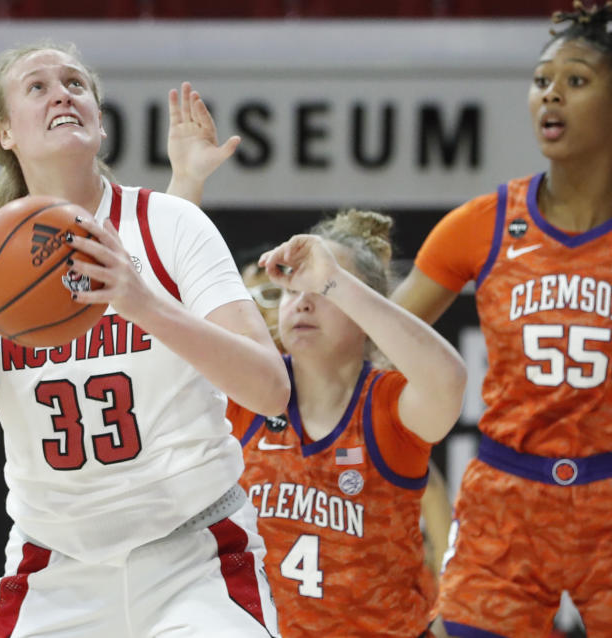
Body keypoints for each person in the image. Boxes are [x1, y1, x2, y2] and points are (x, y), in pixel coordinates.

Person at [0, 42, 290, 638]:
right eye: (36, 87)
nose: (62, 93)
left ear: (97, 116)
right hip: (55, 567)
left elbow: (272, 390)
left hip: (193, 555)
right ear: (5, 133)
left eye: (75, 83)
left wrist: (141, 301)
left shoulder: (171, 224)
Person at [167, 82, 459, 638]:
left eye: (321, 290)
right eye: (292, 289)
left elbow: (448, 382)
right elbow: (159, 303)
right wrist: (187, 182)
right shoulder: (249, 389)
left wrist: (336, 279)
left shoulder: (389, 407)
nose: (301, 299)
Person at [388, 3, 612, 635]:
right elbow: (387, 343)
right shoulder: (483, 223)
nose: (552, 96)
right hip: (507, 500)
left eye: (577, 80)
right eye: (543, 80)